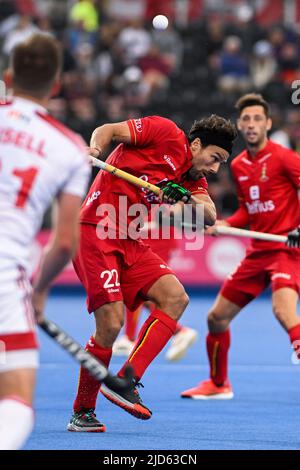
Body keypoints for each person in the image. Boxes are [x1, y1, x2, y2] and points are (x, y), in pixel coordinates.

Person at [67, 113, 237, 431]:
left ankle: (126, 379)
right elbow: (108, 130)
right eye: (214, 158)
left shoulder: (192, 177)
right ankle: (83, 412)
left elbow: (209, 215)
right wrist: (94, 151)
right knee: (111, 323)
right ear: (196, 144)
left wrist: (183, 196)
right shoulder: (163, 132)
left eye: (221, 163)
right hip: (95, 232)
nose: (215, 169)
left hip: (131, 240)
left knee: (175, 298)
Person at [0, 34, 90, 449]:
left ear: (7, 76)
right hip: (6, 276)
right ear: (56, 86)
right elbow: (65, 243)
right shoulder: (70, 148)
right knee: (16, 399)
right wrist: (37, 293)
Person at [181, 93, 300, 400]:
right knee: (216, 318)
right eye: (246, 119)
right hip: (257, 253)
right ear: (240, 124)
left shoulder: (285, 158)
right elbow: (249, 209)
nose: (251, 124)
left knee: (283, 309)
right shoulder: (239, 165)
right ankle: (219, 384)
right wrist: (227, 224)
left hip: (286, 250)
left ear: (268, 124)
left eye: (257, 118)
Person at [113, 214, 198, 362]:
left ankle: (130, 338)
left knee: (136, 285)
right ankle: (179, 332)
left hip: (157, 239)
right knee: (144, 293)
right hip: (152, 237)